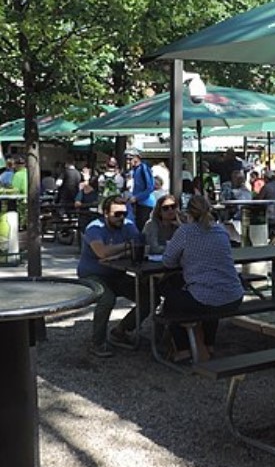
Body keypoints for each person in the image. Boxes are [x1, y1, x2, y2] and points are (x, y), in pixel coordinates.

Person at [159, 195, 245, 363]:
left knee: (171, 301)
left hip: (206, 298)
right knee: (209, 295)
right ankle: (208, 344)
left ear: (187, 212)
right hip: (234, 295)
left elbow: (167, 261)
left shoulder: (185, 232)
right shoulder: (220, 230)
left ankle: (183, 349)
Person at [77, 195, 143, 357]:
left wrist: (117, 254)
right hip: (92, 275)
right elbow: (102, 252)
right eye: (117, 214)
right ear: (105, 214)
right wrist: (127, 247)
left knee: (148, 295)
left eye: (124, 214)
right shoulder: (94, 228)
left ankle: (121, 331)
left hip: (116, 274)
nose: (121, 218)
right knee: (107, 299)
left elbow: (140, 246)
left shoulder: (128, 225)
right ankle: (97, 342)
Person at [125, 147, 155, 231]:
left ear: (137, 157)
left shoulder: (144, 168)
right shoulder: (134, 170)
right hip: (138, 202)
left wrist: (136, 197)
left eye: (130, 158)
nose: (128, 161)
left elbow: (150, 187)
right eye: (127, 159)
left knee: (143, 227)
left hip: (146, 203)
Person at [256, 170, 275, 241]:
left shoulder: (266, 187)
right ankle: (274, 234)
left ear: (266, 178)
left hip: (270, 215)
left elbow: (258, 199)